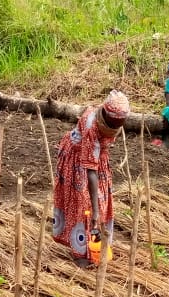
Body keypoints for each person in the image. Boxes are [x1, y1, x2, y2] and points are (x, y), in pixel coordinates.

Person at [52, 90, 129, 268]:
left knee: (100, 200)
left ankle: (96, 242)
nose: (118, 125)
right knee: (84, 205)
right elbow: (90, 171)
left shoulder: (110, 121)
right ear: (105, 115)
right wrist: (94, 211)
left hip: (96, 159)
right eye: (115, 122)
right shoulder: (91, 127)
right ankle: (81, 252)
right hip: (78, 161)